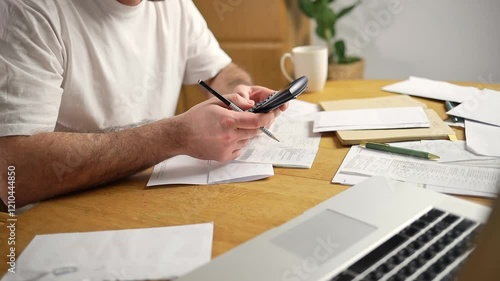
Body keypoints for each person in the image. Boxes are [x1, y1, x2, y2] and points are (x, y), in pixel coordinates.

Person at [0, 0, 286, 208]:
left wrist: (239, 93)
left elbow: (221, 71)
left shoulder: (174, 6)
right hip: (57, 219)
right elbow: (13, 175)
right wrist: (174, 135)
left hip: (150, 199)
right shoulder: (28, 10)